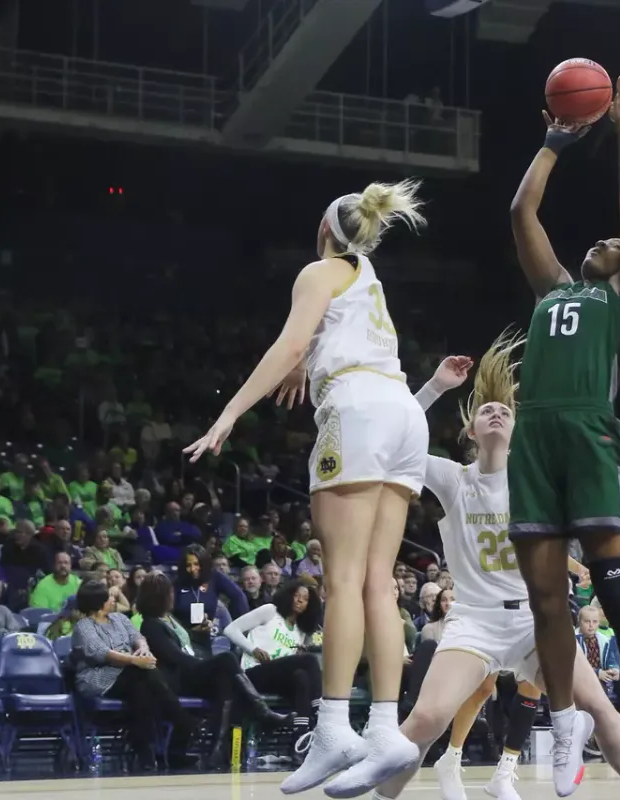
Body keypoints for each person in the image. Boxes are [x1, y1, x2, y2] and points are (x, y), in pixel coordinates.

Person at [184, 179, 428, 794]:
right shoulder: (367, 274)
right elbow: (325, 335)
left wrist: (230, 413)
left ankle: (333, 728)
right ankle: (382, 729)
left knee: (342, 580)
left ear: (324, 232)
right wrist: (305, 358)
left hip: (358, 409)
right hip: (405, 413)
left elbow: (293, 337)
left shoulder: (317, 271)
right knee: (380, 580)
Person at [327, 344, 620, 800]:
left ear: (517, 431)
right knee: (426, 719)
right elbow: (389, 440)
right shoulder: (453, 479)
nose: (496, 412)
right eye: (486, 411)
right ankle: (381, 796)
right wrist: (436, 386)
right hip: (475, 621)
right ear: (471, 431)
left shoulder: (535, 476)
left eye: (504, 411)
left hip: (536, 620)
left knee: (598, 706)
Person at [505, 65, 620, 798]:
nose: (607, 239)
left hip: (589, 435)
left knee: (618, 589)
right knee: (547, 600)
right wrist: (553, 143)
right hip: (535, 439)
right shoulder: (553, 291)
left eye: (615, 241)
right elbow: (521, 214)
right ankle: (566, 724)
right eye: (600, 239)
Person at [136, 572, 292, 765]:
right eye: (169, 593)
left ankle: (218, 751)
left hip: (191, 672)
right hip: (177, 679)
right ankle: (262, 711)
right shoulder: (150, 625)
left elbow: (189, 645)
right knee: (226, 659)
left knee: (225, 683)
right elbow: (175, 657)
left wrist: (201, 635)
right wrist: (206, 665)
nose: (173, 596)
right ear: (158, 596)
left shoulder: (170, 618)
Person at [70, 579, 195, 772]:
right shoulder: (84, 626)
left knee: (141, 689)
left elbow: (138, 637)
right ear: (97, 602)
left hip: (132, 676)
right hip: (100, 679)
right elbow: (101, 653)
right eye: (109, 597)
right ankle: (181, 721)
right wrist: (134, 660)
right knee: (141, 674)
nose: (114, 599)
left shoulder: (120, 619)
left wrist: (143, 650)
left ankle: (144, 750)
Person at [223, 577, 325, 754]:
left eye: (306, 598)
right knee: (309, 660)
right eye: (297, 595)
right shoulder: (270, 611)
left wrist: (296, 656)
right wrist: (252, 649)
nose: (300, 600)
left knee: (301, 676)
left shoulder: (300, 632)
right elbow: (230, 629)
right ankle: (320, 710)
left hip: (276, 678)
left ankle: (300, 739)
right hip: (252, 674)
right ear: (288, 595)